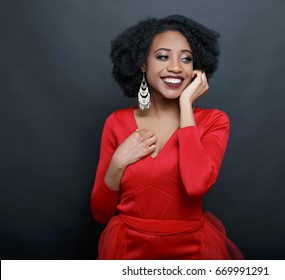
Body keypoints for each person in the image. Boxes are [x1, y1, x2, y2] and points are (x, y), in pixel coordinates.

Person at [90, 15, 243, 260]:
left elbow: (195, 186)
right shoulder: (116, 123)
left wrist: (185, 105)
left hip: (192, 252)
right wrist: (118, 162)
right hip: (128, 250)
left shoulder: (214, 121)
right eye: (162, 56)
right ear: (142, 64)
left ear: (197, 68)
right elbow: (100, 213)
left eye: (186, 59)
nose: (175, 67)